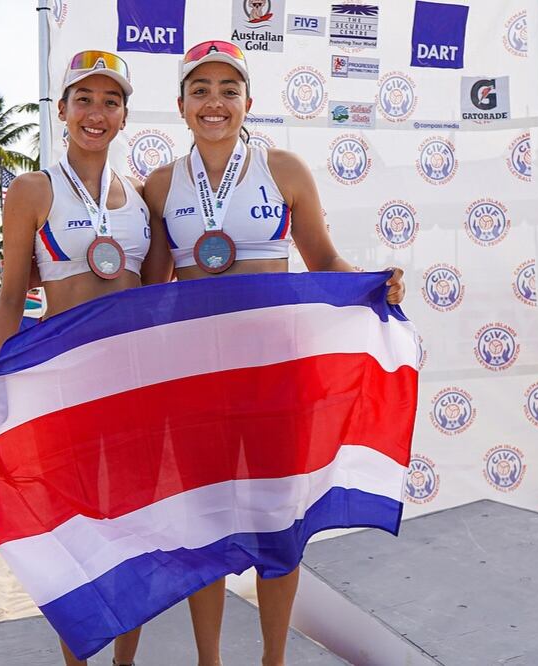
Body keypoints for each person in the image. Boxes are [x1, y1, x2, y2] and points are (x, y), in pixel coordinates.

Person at [143, 41, 406, 666]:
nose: (214, 102)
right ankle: (210, 661)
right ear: (181, 106)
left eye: (228, 90)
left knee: (278, 527)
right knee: (204, 529)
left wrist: (376, 282)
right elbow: (148, 294)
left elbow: (324, 259)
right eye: (200, 90)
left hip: (277, 379)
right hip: (198, 382)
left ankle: (273, 660)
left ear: (248, 102)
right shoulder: (159, 185)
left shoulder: (283, 170)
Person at [0, 49, 159, 666]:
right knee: (73, 534)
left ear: (124, 116)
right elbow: (11, 297)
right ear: (61, 110)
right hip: (64, 388)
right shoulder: (32, 190)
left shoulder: (142, 198)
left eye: (110, 101)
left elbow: (158, 296)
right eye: (83, 99)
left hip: (131, 385)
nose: (96, 113)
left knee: (134, 532)